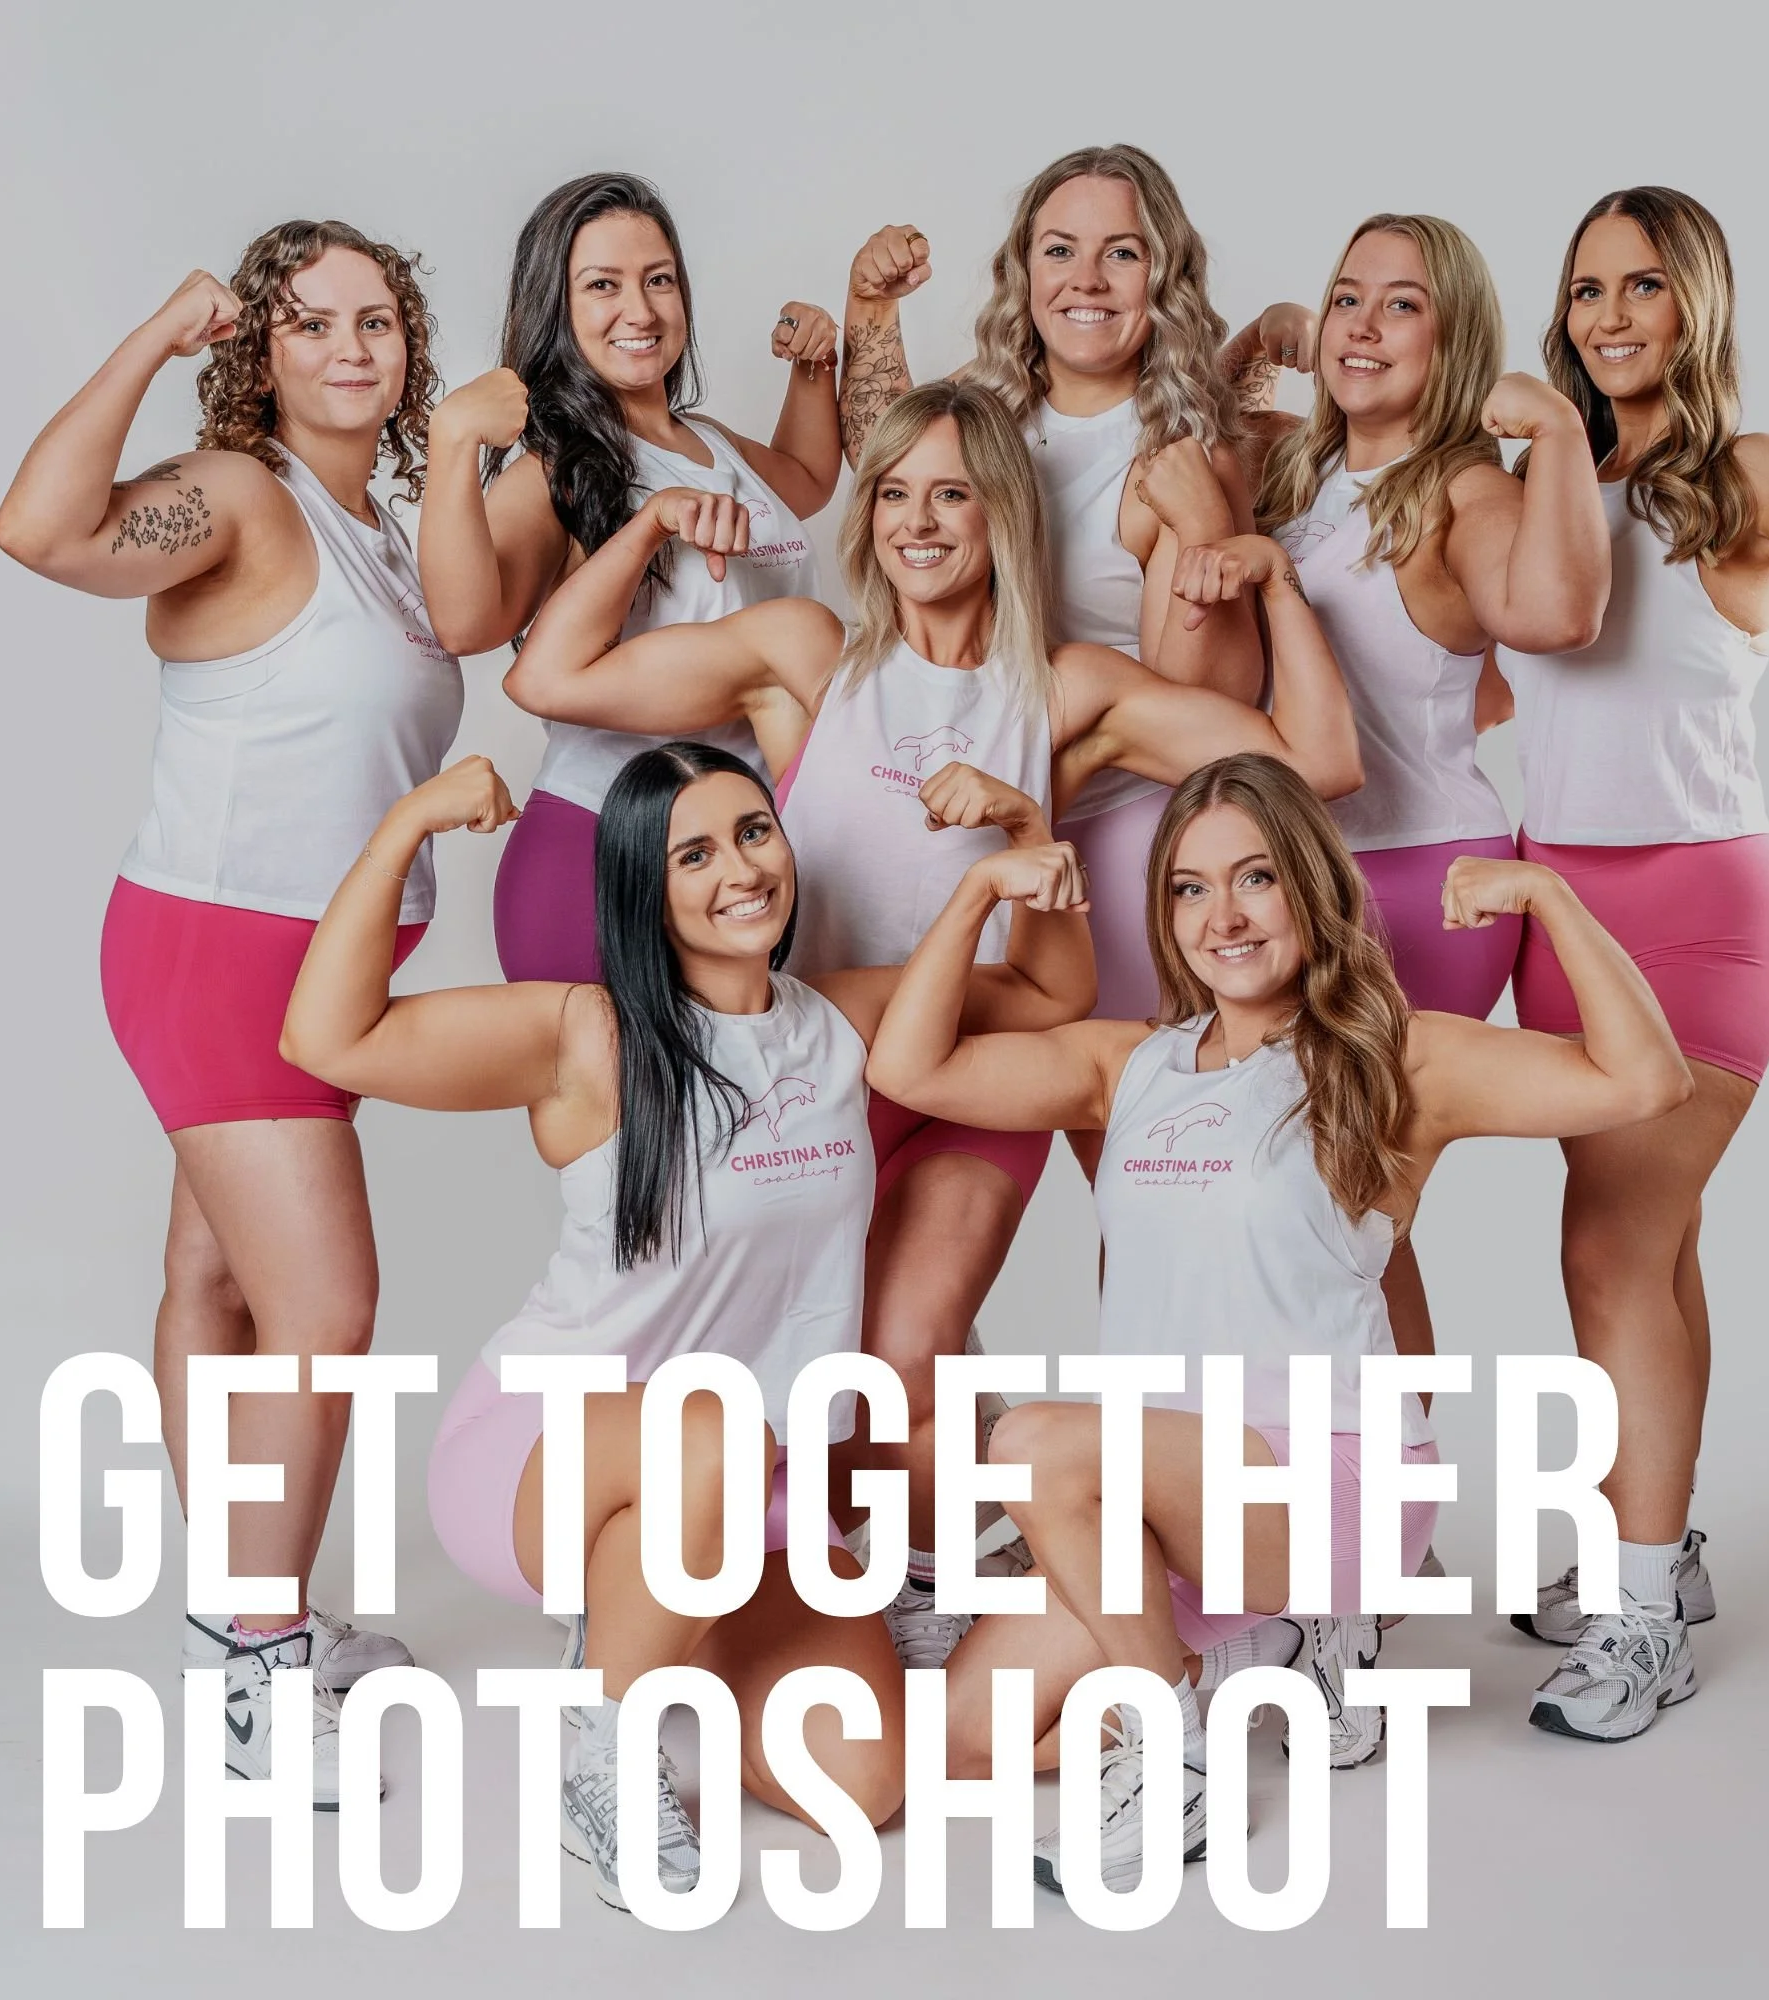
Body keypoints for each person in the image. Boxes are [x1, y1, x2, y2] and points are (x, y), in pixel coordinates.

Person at [502, 378, 1361, 1668]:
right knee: (811, 1356)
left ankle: (926, 1568)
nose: (917, 521)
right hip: (819, 1073)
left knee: (899, 1348)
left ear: (1000, 514)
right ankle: (878, 1541)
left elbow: (1321, 759)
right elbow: (545, 673)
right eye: (894, 492)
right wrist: (649, 528)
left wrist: (1275, 584)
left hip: (973, 1066)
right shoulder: (806, 654)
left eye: (951, 492)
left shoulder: (1062, 685)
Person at [280, 746, 1092, 1903]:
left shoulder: (840, 1023)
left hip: (740, 1483)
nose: (739, 870)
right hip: (545, 1453)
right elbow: (325, 1037)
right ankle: (603, 1750)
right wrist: (408, 820)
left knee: (860, 1784)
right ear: (641, 888)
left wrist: (998, 862)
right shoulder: (588, 1035)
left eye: (753, 831)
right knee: (709, 1418)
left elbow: (1052, 996)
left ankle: (642, 1614)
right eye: (693, 853)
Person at [864, 753, 1691, 1889]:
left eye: (1254, 877)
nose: (1223, 915)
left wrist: (1551, 900)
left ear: (1309, 886)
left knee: (1029, 1441)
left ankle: (1178, 1757)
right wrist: (975, 895)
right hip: (1159, 1507)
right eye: (1189, 888)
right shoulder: (1128, 1067)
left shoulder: (1394, 1055)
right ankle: (1263, 1657)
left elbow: (1644, 1081)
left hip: (1327, 1483)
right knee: (959, 1749)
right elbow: (909, 1064)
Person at [0, 223, 463, 1805]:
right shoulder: (249, 500)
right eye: (314, 322)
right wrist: (150, 336)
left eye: (379, 321)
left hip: (313, 960)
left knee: (216, 1277)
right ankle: (256, 1662)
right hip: (220, 950)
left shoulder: (375, 527)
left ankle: (243, 1618)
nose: (352, 348)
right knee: (327, 1309)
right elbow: (37, 531)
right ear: (258, 351)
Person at [1495, 187, 1769, 1736]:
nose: (1610, 316)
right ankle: (1658, 1548)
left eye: (1642, 287)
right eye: (1585, 290)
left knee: (1610, 1252)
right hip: (1560, 913)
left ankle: (1639, 1624)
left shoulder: (1739, 475)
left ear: (1694, 307)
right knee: (1650, 1248)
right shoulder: (1548, 468)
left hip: (1698, 918)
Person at [1215, 213, 1611, 1401]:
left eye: (1401, 305)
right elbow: (1187, 427)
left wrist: (1547, 431)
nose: (1363, 325)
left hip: (1419, 878)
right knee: (1322, 1206)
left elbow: (1554, 617)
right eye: (1346, 298)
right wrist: (1252, 342)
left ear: (1453, 343)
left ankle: (1379, 1526)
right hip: (1306, 876)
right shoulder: (1300, 468)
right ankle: (1376, 1520)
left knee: (1346, 1202)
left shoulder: (1462, 491)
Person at [837, 146, 1260, 1040]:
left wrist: (1207, 529)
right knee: (950, 1091)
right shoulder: (979, 408)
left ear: (1164, 273)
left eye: (1124, 252)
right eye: (1061, 249)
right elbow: (890, 491)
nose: (1089, 279)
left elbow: (1214, 718)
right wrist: (869, 313)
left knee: (1130, 1122)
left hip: (1118, 835)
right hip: (961, 817)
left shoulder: (1184, 454)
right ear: (1023, 270)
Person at [417, 171, 842, 982]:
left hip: (733, 862)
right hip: (601, 847)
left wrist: (814, 360)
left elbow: (807, 478)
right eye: (602, 286)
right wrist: (452, 441)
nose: (640, 311)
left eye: (658, 280)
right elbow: (465, 627)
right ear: (556, 304)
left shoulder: (707, 437)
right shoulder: (557, 468)